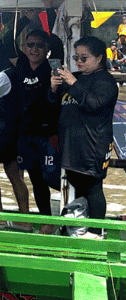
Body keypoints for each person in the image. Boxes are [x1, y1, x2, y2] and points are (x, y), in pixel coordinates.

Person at [0, 30, 60, 228]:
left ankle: (44, 220)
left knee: (46, 179)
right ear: (23, 48)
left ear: (47, 49)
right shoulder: (16, 71)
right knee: (26, 177)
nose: (34, 49)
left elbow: (58, 103)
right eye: (30, 45)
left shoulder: (54, 72)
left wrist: (54, 88)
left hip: (46, 134)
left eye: (39, 45)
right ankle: (34, 220)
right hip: (23, 134)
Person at [49, 36, 118, 238]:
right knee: (77, 183)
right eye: (76, 57)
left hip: (93, 142)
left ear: (99, 58)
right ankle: (81, 226)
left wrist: (73, 83)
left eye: (84, 58)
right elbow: (52, 106)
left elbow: (94, 104)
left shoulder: (106, 81)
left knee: (93, 186)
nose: (79, 62)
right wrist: (54, 88)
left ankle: (96, 231)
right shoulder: (75, 77)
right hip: (71, 142)